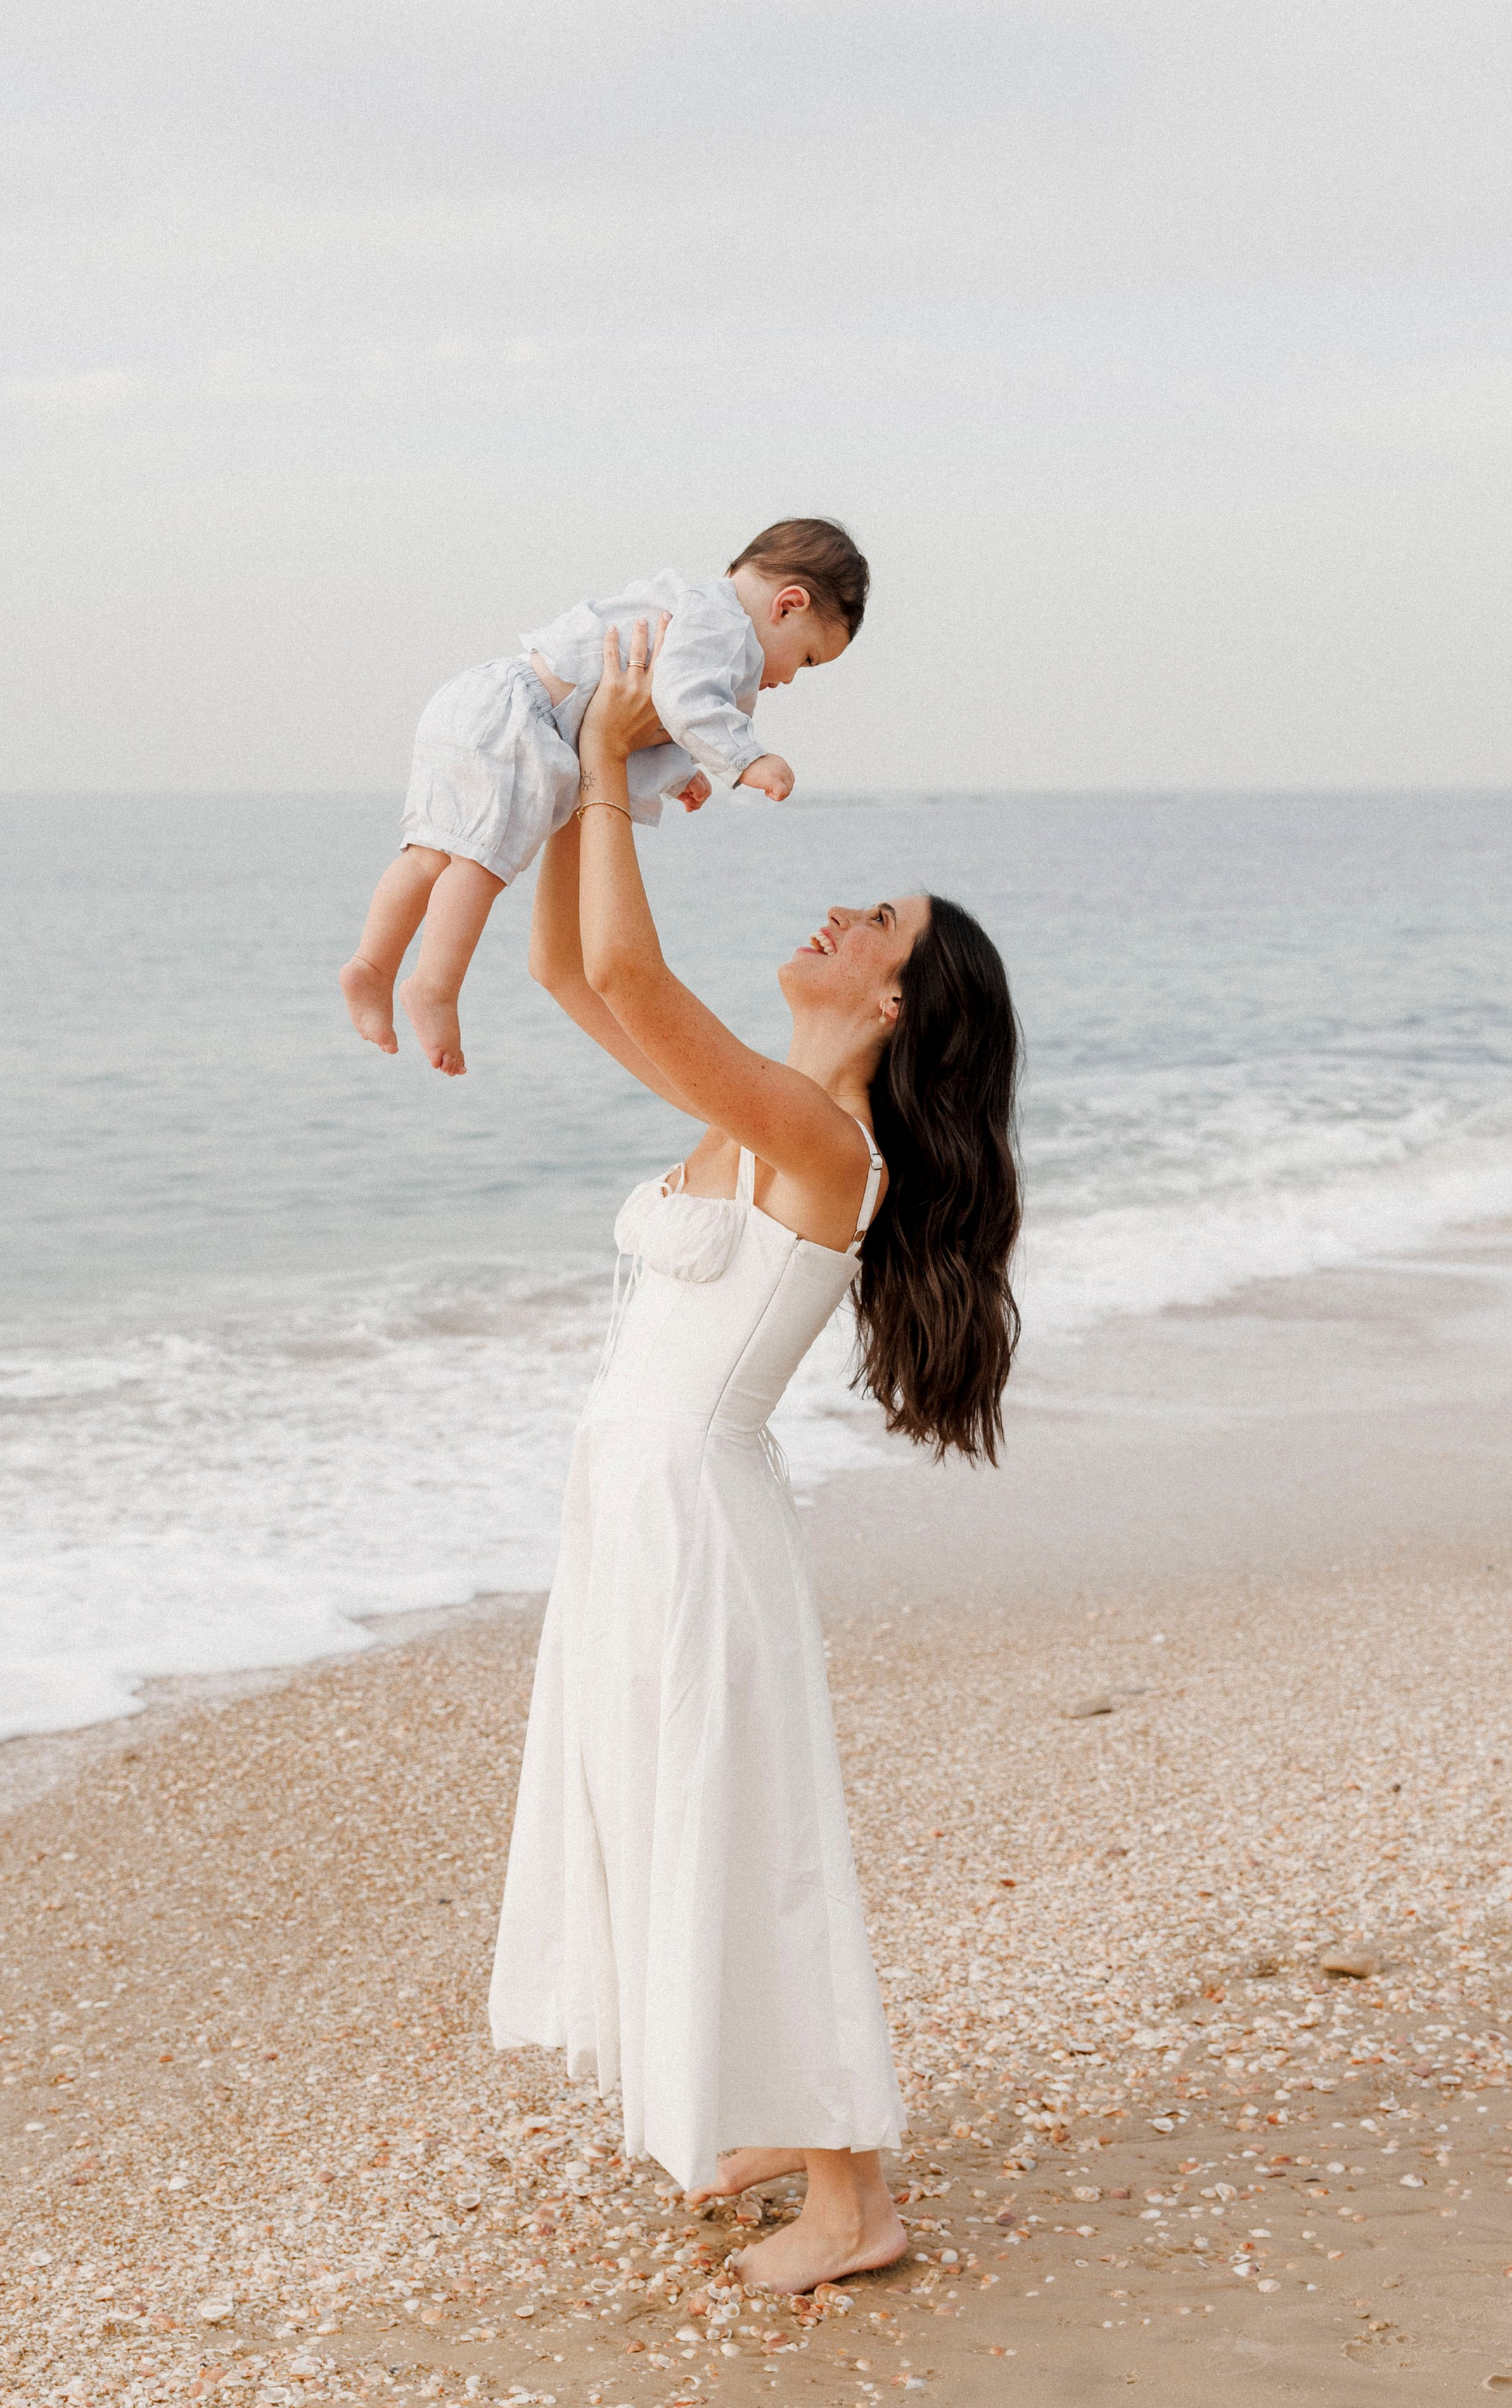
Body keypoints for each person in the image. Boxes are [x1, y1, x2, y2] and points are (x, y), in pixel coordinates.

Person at [487, 616, 1021, 2293]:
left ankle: (857, 2202)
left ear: (894, 998)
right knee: (663, 1814)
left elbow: (636, 981)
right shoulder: (747, 1111)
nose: (842, 910)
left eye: (881, 923)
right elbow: (569, 979)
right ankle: (775, 2119)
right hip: (632, 1509)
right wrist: (586, 788)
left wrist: (601, 769)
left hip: (692, 1521)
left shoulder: (816, 1136)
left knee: (747, 1831)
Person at [340, 518, 869, 1076]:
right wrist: (747, 760)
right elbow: (682, 697)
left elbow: (647, 713)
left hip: (484, 697)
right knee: (477, 866)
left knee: (429, 855)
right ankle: (433, 986)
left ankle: (370, 965)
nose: (789, 679)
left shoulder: (690, 608)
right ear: (787, 605)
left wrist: (676, 774)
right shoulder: (727, 629)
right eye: (807, 659)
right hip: (525, 721)